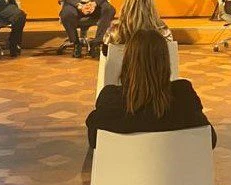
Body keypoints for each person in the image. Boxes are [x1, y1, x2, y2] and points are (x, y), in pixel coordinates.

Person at [86, 29, 215, 148]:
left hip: (122, 166)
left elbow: (94, 140)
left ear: (127, 62)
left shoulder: (111, 98)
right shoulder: (183, 95)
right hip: (175, 166)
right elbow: (209, 139)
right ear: (165, 62)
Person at [103, 0, 173, 50]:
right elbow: (170, 53)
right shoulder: (163, 31)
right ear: (151, 6)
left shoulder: (114, 31)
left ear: (127, 5)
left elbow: (105, 53)